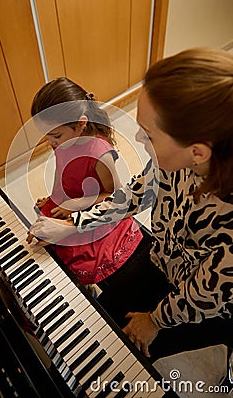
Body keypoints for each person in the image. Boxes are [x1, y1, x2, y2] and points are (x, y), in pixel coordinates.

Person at [29, 48, 233, 362]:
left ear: (198, 152)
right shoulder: (172, 163)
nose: (137, 138)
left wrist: (155, 319)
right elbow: (132, 195)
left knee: (120, 352)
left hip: (205, 305)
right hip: (167, 262)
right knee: (97, 320)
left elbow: (208, 292)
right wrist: (71, 226)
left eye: (148, 133)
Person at [27, 77, 143, 288]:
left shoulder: (99, 153)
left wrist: (75, 205)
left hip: (94, 208)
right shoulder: (63, 141)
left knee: (77, 261)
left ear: (80, 124)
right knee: (43, 238)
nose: (51, 142)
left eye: (55, 135)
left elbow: (113, 195)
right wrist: (55, 196)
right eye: (47, 136)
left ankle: (88, 291)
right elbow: (61, 170)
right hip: (71, 199)